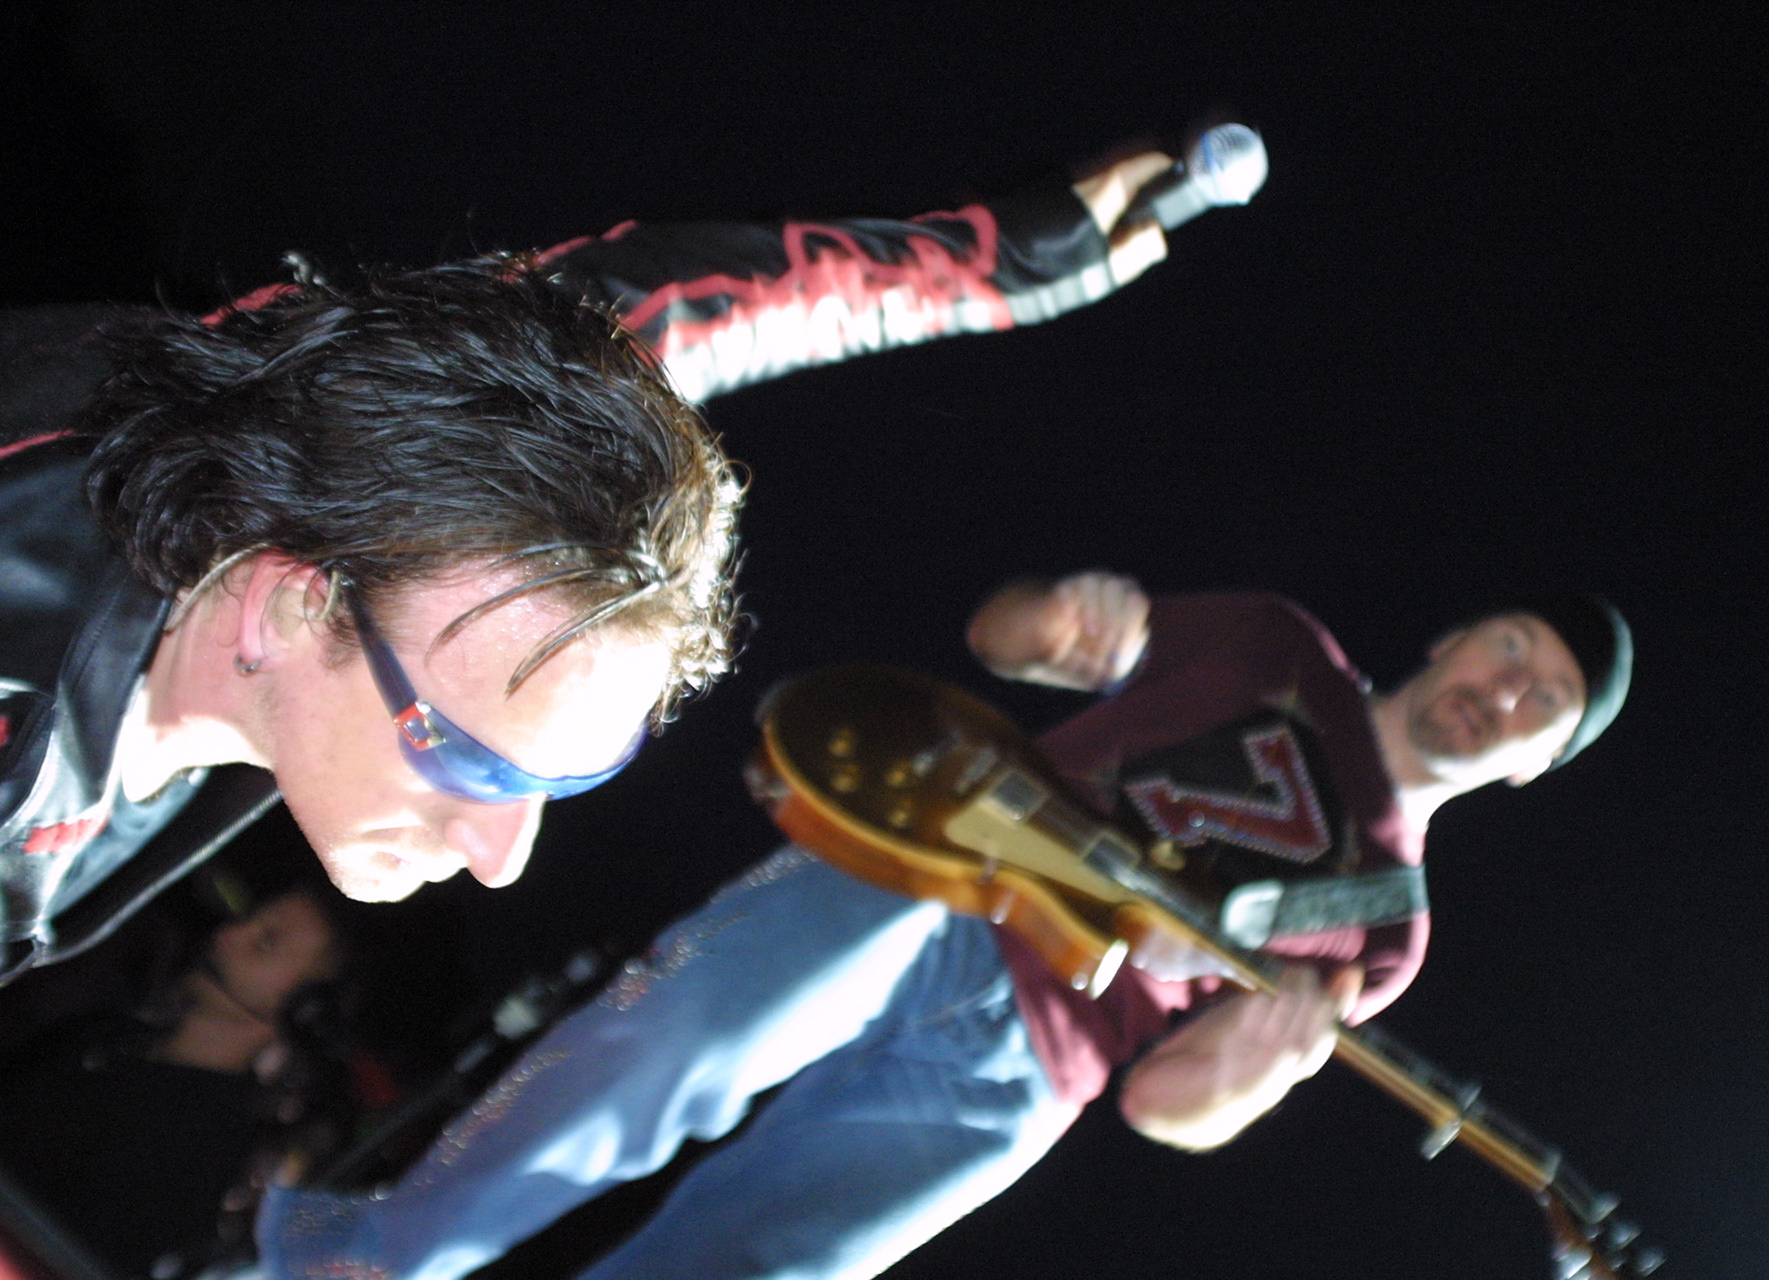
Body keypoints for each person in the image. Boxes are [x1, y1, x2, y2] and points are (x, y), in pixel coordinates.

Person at [0, 142, 1187, 983]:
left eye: (555, 782)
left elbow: (633, 313)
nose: (499, 857)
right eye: (468, 758)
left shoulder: (341, 426)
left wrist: (988, 263)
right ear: (286, 604)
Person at [255, 569, 1632, 1280]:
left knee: (772, 1262)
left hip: (1026, 1073)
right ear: (1460, 635)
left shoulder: (1387, 930)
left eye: (1546, 705)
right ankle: (356, 1260)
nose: (1507, 690)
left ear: (1535, 767)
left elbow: (1165, 1104)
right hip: (946, 877)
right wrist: (1060, 618)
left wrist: (1251, 1074)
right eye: (1513, 647)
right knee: (670, 1047)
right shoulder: (1277, 643)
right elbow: (1006, 636)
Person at [0, 882, 350, 1279]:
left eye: (265, 942)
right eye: (245, 919)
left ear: (304, 1011)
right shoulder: (107, 1033)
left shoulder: (199, 1151)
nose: (227, 934)